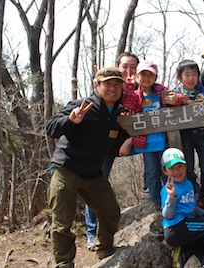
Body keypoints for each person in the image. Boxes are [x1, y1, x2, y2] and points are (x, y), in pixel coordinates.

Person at [46, 66, 131, 267]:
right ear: (97, 85)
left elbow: (115, 142)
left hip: (93, 173)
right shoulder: (82, 105)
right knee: (62, 220)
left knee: (110, 211)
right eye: (108, 84)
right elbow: (51, 126)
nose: (112, 88)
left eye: (117, 85)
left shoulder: (119, 114)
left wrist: (126, 140)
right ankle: (64, 261)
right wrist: (71, 120)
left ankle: (104, 248)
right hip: (67, 168)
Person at [85, 52, 140, 251]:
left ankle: (157, 199)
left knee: (159, 150)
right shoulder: (110, 87)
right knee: (95, 184)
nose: (129, 71)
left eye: (133, 67)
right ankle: (92, 232)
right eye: (125, 66)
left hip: (130, 141)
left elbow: (146, 120)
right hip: (105, 145)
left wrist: (131, 139)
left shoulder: (142, 88)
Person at [122, 60, 182, 210]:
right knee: (151, 173)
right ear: (137, 76)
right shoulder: (136, 94)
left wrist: (176, 99)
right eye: (143, 74)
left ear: (155, 78)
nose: (146, 78)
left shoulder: (161, 91)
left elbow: (177, 97)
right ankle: (155, 201)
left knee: (166, 172)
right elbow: (127, 104)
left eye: (150, 75)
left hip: (163, 140)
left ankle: (169, 198)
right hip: (146, 143)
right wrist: (129, 86)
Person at [160, 148, 204, 268]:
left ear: (186, 166)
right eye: (172, 168)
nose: (177, 171)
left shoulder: (188, 184)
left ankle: (184, 254)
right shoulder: (168, 189)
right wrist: (172, 197)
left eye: (180, 166)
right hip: (176, 228)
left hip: (187, 225)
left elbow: (193, 208)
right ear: (165, 171)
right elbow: (167, 215)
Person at [174, 59, 204, 212]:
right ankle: (195, 194)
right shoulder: (176, 94)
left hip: (203, 133)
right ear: (179, 78)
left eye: (194, 74)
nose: (191, 78)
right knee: (188, 167)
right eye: (187, 75)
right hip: (185, 135)